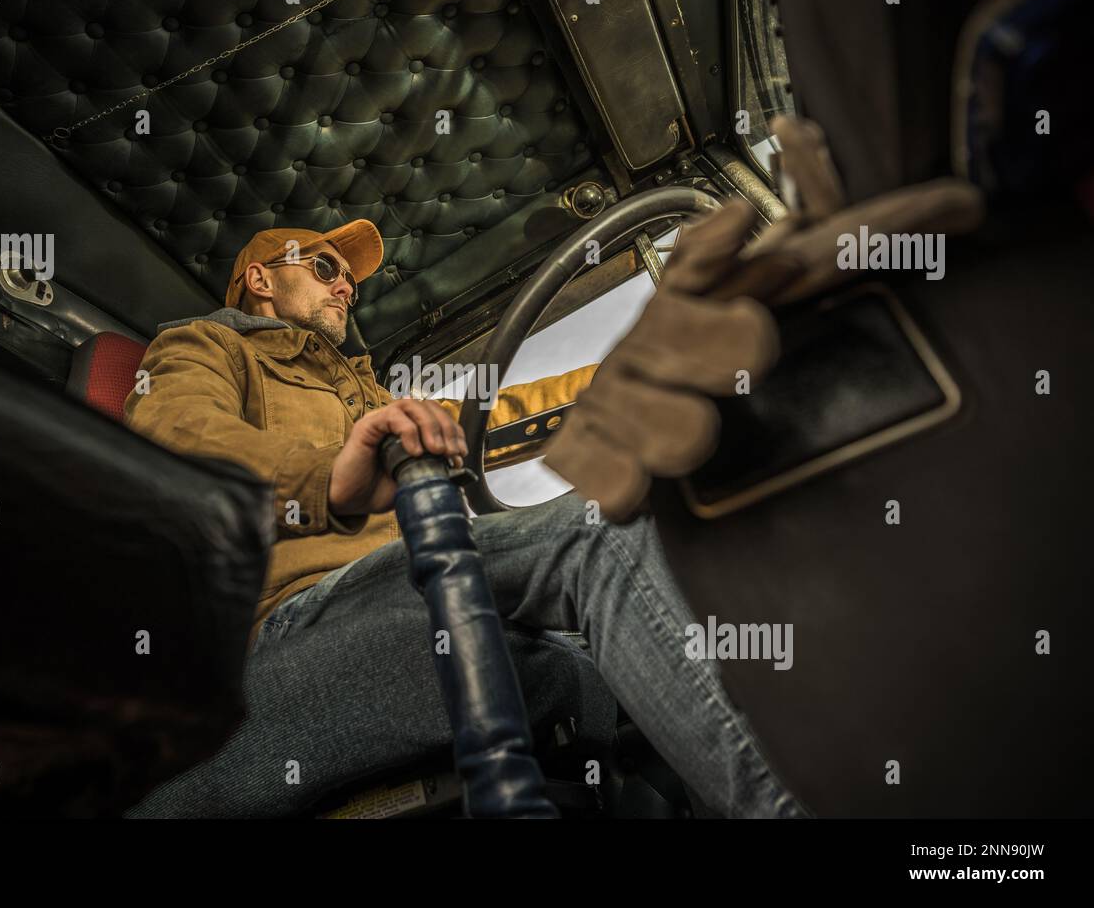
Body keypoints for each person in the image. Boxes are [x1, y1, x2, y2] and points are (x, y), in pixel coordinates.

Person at [123, 217, 806, 817]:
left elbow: (502, 412)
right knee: (594, 533)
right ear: (260, 280)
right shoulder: (209, 346)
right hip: (299, 613)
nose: (344, 288)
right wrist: (330, 480)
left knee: (657, 575)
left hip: (416, 572)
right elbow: (177, 442)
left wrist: (646, 372)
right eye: (325, 267)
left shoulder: (367, 394)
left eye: (350, 283)